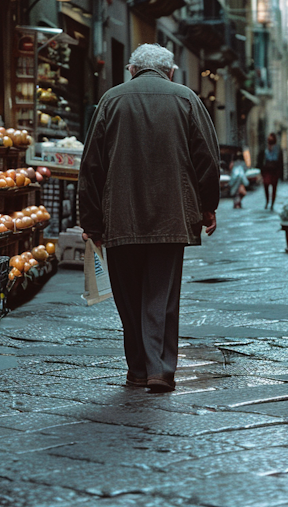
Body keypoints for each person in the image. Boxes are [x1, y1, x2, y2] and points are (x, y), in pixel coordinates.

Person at [78, 44, 220, 393]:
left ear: (131, 70)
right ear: (171, 71)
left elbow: (91, 165)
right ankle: (159, 369)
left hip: (119, 217)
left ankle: (138, 369)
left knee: (128, 296)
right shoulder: (186, 98)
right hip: (171, 217)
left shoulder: (111, 100)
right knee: (162, 295)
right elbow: (208, 158)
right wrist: (207, 206)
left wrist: (91, 222)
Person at [257, 132, 284, 210]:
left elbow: (280, 161)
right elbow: (261, 159)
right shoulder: (264, 148)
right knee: (266, 185)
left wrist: (281, 173)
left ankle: (272, 203)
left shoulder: (278, 148)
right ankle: (267, 201)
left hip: (274, 170)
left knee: (274, 187)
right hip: (266, 170)